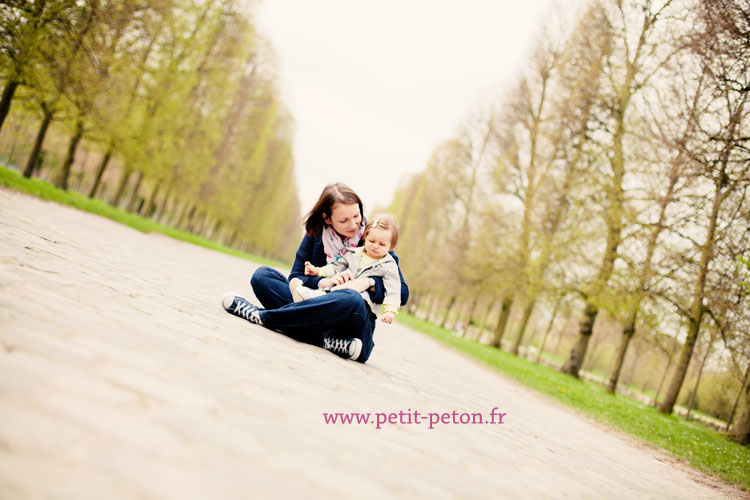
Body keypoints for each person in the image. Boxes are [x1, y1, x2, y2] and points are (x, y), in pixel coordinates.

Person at [221, 183, 408, 363]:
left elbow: (402, 292)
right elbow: (295, 278)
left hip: (349, 320)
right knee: (262, 277)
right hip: (317, 300)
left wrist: (369, 282)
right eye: (343, 220)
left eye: (357, 216)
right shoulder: (315, 235)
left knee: (351, 298)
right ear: (327, 218)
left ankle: (264, 317)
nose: (353, 225)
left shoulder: (374, 240)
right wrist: (325, 282)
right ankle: (326, 340)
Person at [291, 214, 401, 325]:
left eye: (382, 244)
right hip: (341, 292)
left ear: (391, 246)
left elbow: (393, 288)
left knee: (352, 299)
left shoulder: (389, 265)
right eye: (372, 241)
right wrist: (318, 271)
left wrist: (390, 311)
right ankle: (314, 299)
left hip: (363, 304)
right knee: (336, 293)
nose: (375, 246)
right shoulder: (354, 253)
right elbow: (336, 267)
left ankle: (316, 298)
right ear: (365, 238)